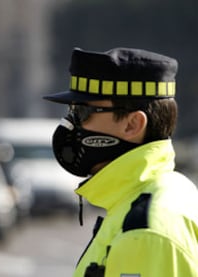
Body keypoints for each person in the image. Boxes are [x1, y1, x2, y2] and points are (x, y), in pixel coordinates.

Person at [43, 47, 198, 276]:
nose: (69, 124)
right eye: (71, 111)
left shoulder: (143, 232)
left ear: (132, 125)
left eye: (83, 112)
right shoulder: (169, 189)